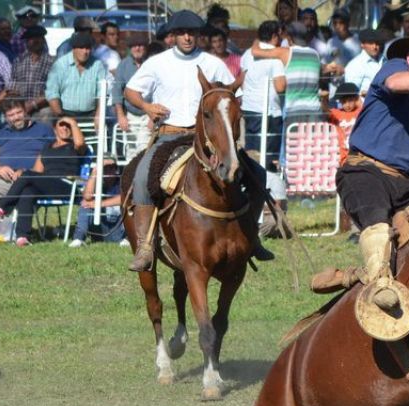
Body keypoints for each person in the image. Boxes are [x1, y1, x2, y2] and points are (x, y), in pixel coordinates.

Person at [308, 23, 409, 330]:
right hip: (363, 171)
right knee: (377, 223)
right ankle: (380, 288)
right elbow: (399, 84)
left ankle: (357, 277)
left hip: (408, 186)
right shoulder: (393, 70)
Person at [124, 9, 266, 272]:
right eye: (182, 33)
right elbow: (130, 90)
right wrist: (146, 106)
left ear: (199, 36)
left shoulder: (212, 63)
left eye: (192, 33)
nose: (187, 37)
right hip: (170, 134)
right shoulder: (157, 63)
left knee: (258, 174)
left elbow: (233, 96)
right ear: (173, 36)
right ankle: (145, 246)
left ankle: (252, 237)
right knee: (143, 177)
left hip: (208, 139)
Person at [0, 116, 88, 246]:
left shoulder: (75, 146)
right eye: (61, 124)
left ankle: (1, 207)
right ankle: (22, 237)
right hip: (47, 185)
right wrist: (22, 172)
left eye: (68, 126)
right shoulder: (47, 147)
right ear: (54, 128)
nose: (65, 128)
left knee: (27, 175)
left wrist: (72, 122)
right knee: (27, 191)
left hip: (67, 185)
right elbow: (36, 170)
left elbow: (80, 143)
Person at [0, 98, 56, 241]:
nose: (16, 117)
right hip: (7, 179)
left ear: (26, 111)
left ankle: (7, 228)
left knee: (25, 188)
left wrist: (26, 171)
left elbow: (53, 157)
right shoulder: (1, 134)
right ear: (5, 117)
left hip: (35, 178)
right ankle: (5, 229)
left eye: (19, 112)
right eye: (11, 115)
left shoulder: (43, 130)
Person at [240, 21, 288, 170]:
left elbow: (242, 80)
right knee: (270, 154)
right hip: (270, 111)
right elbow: (280, 87)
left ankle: (251, 181)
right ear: (274, 36)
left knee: (252, 150)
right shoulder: (275, 57)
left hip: (249, 107)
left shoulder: (247, 53)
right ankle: (269, 184)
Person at [45, 31, 108, 120]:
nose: (85, 51)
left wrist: (99, 115)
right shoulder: (60, 64)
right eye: (81, 48)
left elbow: (102, 92)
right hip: (65, 113)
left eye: (88, 48)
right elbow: (52, 93)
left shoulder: (97, 65)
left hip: (91, 114)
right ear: (73, 48)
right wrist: (60, 116)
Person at [113, 35, 156, 162]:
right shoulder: (123, 65)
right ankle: (130, 180)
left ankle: (141, 180)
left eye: (140, 46)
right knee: (130, 151)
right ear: (130, 48)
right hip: (130, 114)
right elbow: (117, 90)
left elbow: (160, 89)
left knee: (144, 149)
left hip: (148, 113)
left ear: (145, 48)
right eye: (134, 46)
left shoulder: (152, 64)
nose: (137, 48)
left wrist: (154, 117)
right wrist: (121, 115)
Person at [0, 25, 54, 120]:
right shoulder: (18, 61)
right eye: (31, 38)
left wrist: (33, 104)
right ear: (26, 42)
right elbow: (12, 87)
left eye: (38, 37)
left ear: (43, 40)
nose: (35, 41)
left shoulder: (53, 62)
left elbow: (53, 91)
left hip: (42, 106)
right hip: (21, 105)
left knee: (47, 113)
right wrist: (19, 105)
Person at [69, 159, 124, 247]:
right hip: (102, 229)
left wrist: (98, 204)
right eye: (105, 168)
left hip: (119, 229)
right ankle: (78, 239)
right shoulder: (97, 184)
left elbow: (126, 198)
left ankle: (126, 240)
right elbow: (87, 197)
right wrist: (94, 173)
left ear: (116, 169)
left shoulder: (123, 182)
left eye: (112, 167)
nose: (109, 170)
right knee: (85, 205)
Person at [345, 29, 387, 97]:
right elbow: (352, 95)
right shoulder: (355, 65)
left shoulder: (385, 60)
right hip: (367, 106)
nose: (375, 47)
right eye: (370, 43)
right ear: (362, 44)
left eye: (377, 43)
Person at [326, 82, 361, 160]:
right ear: (340, 101)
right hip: (345, 157)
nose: (347, 105)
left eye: (350, 100)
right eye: (344, 102)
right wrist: (324, 100)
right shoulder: (337, 113)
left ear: (356, 99)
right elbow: (325, 112)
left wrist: (359, 98)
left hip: (360, 156)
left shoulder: (360, 112)